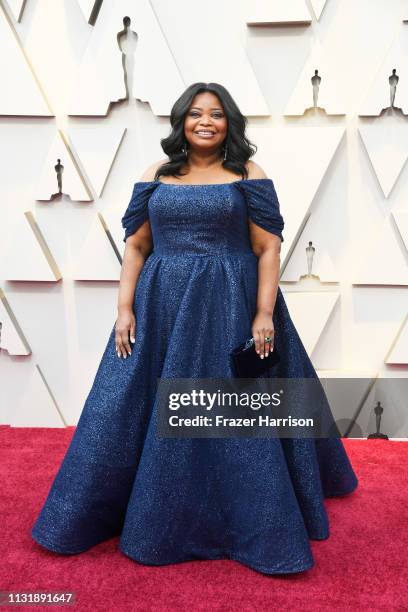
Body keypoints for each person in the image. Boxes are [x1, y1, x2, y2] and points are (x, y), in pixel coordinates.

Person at [31, 82, 358, 575]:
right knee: (128, 408)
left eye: (217, 114)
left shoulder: (248, 173)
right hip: (161, 307)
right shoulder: (157, 175)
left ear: (231, 123)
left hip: (230, 302)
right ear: (181, 120)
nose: (206, 121)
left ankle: (250, 519)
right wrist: (124, 308)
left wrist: (264, 313)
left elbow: (267, 248)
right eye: (196, 113)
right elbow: (137, 247)